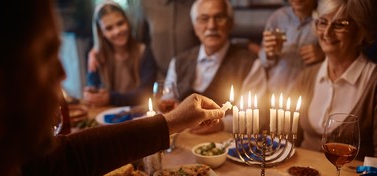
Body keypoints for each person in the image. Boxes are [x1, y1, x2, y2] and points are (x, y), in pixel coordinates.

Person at [0, 0, 235, 176]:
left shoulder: (12, 175)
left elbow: (66, 158)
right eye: (48, 54)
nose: (62, 73)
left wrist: (170, 122)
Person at [290, 0, 377, 159]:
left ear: (360, 33)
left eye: (339, 25)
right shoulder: (306, 77)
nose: (327, 32)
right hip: (300, 175)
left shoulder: (374, 83)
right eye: (323, 22)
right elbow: (289, 141)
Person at [165, 0, 268, 134]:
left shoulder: (251, 64)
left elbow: (255, 117)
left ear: (230, 24)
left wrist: (222, 124)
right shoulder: (178, 62)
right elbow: (166, 102)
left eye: (219, 18)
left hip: (224, 145)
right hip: (181, 140)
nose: (212, 26)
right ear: (195, 26)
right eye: (204, 19)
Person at [83, 1, 157, 107]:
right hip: (106, 116)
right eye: (109, 28)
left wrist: (111, 98)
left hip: (137, 113)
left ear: (127, 22)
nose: (117, 31)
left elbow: (146, 92)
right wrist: (91, 94)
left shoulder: (143, 52)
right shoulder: (95, 57)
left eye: (120, 23)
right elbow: (93, 86)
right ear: (101, 33)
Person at [259, 0, 325, 94]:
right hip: (276, 91)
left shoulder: (325, 19)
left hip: (308, 92)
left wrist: (323, 56)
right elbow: (263, 60)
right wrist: (269, 53)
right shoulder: (278, 17)